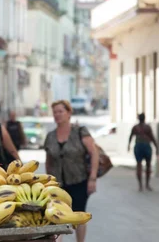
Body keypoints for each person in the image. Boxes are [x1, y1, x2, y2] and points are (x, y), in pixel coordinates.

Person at [45, 100, 98, 242]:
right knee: (58, 216)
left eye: (60, 111)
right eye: (55, 112)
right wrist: (48, 182)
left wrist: (92, 178)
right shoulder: (50, 136)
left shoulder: (80, 131)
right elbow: (49, 161)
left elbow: (94, 153)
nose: (57, 115)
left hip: (79, 180)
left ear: (69, 113)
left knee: (79, 214)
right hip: (58, 185)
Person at [127, 113, 159, 191]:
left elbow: (130, 137)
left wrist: (128, 145)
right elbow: (152, 137)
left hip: (138, 146)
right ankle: (147, 184)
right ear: (144, 119)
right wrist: (156, 147)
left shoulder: (135, 127)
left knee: (139, 165)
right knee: (148, 165)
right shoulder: (147, 127)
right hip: (146, 146)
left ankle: (140, 185)